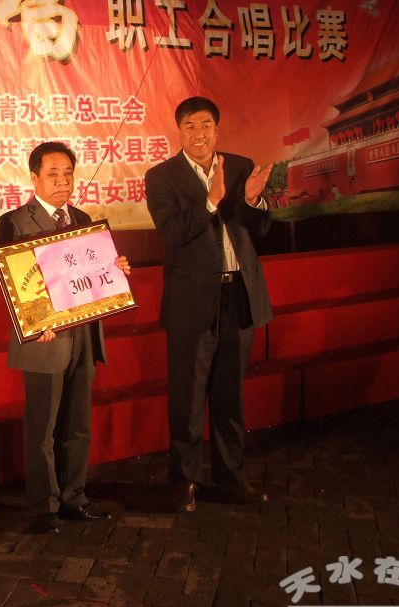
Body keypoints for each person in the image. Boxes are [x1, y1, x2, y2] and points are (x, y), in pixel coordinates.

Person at [144, 96, 274, 512]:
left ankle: (231, 479)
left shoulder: (240, 166)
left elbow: (260, 230)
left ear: (217, 129)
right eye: (190, 126)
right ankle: (184, 482)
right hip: (192, 301)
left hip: (239, 294)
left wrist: (252, 201)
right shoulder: (161, 176)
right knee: (187, 397)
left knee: (230, 395)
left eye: (205, 126)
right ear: (179, 131)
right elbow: (171, 233)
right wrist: (210, 202)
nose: (198, 134)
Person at [0, 141, 131, 534]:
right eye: (52, 174)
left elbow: (92, 276)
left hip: (84, 333)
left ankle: (75, 497)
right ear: (34, 178)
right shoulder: (14, 221)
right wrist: (37, 321)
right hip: (45, 338)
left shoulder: (83, 218)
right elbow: (11, 282)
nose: (62, 181)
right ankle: (44, 508)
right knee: (43, 428)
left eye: (68, 173)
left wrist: (116, 270)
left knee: (78, 423)